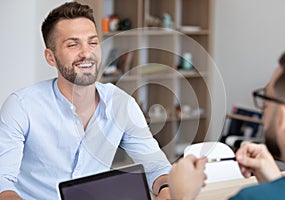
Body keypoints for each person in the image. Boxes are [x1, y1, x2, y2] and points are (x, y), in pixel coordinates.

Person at [0, 2, 171, 199]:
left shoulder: (122, 104)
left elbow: (156, 166)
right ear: (51, 57)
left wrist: (165, 189)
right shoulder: (21, 106)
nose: (86, 53)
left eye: (92, 42)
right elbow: (3, 181)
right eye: (73, 44)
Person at [168, 46, 285, 200]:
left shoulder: (250, 197)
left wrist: (181, 195)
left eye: (265, 104)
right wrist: (277, 182)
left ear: (282, 117)